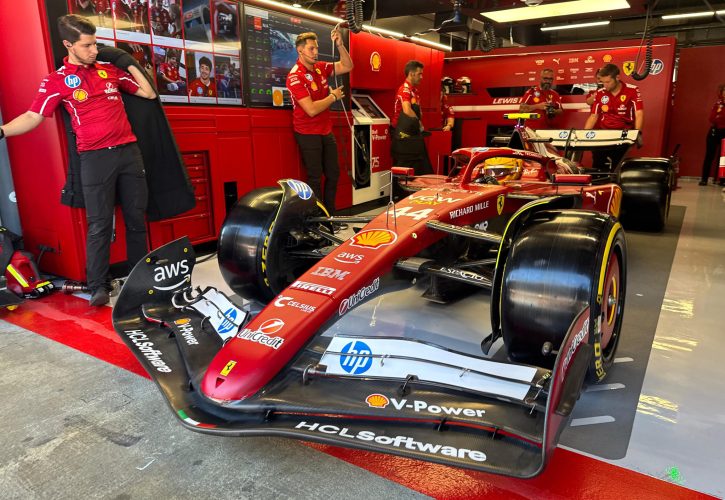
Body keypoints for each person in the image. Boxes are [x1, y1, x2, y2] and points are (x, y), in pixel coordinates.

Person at [0, 15, 156, 306]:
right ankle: (98, 286)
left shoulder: (110, 71)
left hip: (129, 153)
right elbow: (33, 116)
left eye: (96, 44)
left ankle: (140, 281)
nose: (94, 50)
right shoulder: (56, 80)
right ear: (68, 45)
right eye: (87, 45)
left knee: (137, 220)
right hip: (94, 159)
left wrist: (126, 61)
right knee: (98, 224)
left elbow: (148, 93)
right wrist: (2, 130)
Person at [285, 29, 353, 215]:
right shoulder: (295, 76)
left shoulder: (320, 67)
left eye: (316, 48)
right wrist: (333, 97)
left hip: (325, 131)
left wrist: (340, 45)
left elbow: (347, 66)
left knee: (333, 174)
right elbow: (311, 109)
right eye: (311, 49)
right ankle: (317, 219)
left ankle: (330, 216)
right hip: (307, 133)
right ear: (300, 50)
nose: (316, 52)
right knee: (314, 178)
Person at [584, 63, 644, 170]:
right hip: (604, 133)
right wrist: (583, 135)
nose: (605, 85)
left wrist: (637, 132)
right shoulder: (600, 93)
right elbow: (594, 116)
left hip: (623, 134)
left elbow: (639, 113)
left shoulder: (632, 90)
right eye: (603, 82)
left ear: (617, 77)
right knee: (598, 164)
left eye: (608, 82)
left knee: (618, 166)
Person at [391, 60, 432, 175]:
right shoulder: (404, 89)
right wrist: (419, 124)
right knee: (404, 170)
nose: (422, 77)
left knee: (420, 167)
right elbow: (407, 110)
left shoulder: (415, 91)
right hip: (402, 136)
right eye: (420, 74)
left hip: (412, 134)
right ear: (411, 74)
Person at [698, 83, 725, 186]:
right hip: (714, 132)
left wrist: (719, 116)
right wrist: (718, 116)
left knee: (723, 158)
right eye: (724, 91)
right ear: (722, 93)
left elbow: (719, 118)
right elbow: (712, 118)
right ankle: (704, 179)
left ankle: (722, 180)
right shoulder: (717, 104)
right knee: (709, 155)